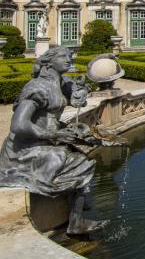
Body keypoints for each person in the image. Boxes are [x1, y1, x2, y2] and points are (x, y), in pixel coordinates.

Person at [0, 47, 109, 235]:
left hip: (45, 140)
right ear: (49, 62)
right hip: (26, 147)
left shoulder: (60, 82)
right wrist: (55, 135)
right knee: (81, 163)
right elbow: (18, 125)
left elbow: (77, 99)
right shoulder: (37, 88)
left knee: (79, 155)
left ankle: (77, 209)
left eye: (70, 56)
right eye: (63, 56)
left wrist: (80, 91)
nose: (68, 60)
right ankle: (76, 223)